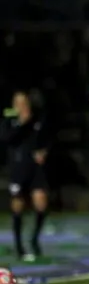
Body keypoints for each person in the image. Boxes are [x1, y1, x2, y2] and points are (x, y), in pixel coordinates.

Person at [1, 89, 51, 261]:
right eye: (18, 103)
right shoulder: (10, 120)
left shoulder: (38, 118)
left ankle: (35, 240)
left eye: (24, 102)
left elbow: (47, 138)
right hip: (18, 168)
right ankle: (19, 246)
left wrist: (44, 152)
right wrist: (23, 123)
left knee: (41, 203)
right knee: (18, 206)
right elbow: (6, 139)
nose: (21, 106)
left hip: (35, 168)